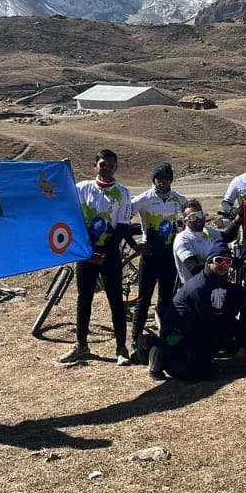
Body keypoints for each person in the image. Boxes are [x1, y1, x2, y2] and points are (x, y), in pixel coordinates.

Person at [62, 149, 143, 366]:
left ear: (116, 167)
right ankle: (81, 344)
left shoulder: (123, 193)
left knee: (115, 301)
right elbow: (73, 221)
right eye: (102, 164)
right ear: (95, 165)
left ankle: (121, 348)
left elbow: (122, 229)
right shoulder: (81, 189)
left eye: (111, 165)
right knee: (84, 298)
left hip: (110, 255)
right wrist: (90, 253)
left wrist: (103, 253)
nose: (106, 169)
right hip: (85, 254)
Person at [146, 247, 246, 381]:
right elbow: (208, 323)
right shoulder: (198, 288)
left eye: (227, 261)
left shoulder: (221, 282)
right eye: (219, 260)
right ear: (209, 262)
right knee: (197, 374)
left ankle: (201, 356)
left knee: (228, 328)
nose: (224, 265)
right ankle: (159, 349)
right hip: (179, 334)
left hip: (198, 329)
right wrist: (233, 349)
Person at [129, 162, 186, 351]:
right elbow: (123, 217)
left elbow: (190, 215)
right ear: (153, 179)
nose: (163, 181)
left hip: (169, 257)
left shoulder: (177, 198)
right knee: (143, 300)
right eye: (159, 177)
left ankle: (165, 340)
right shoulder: (144, 198)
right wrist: (134, 242)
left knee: (166, 300)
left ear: (171, 180)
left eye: (167, 178)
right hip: (150, 257)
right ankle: (134, 341)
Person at [172, 199, 239, 287]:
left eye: (200, 214)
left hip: (213, 284)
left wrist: (237, 220)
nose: (198, 219)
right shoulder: (183, 239)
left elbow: (228, 237)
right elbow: (193, 268)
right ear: (185, 222)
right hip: (194, 288)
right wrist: (222, 264)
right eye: (193, 217)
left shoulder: (207, 231)